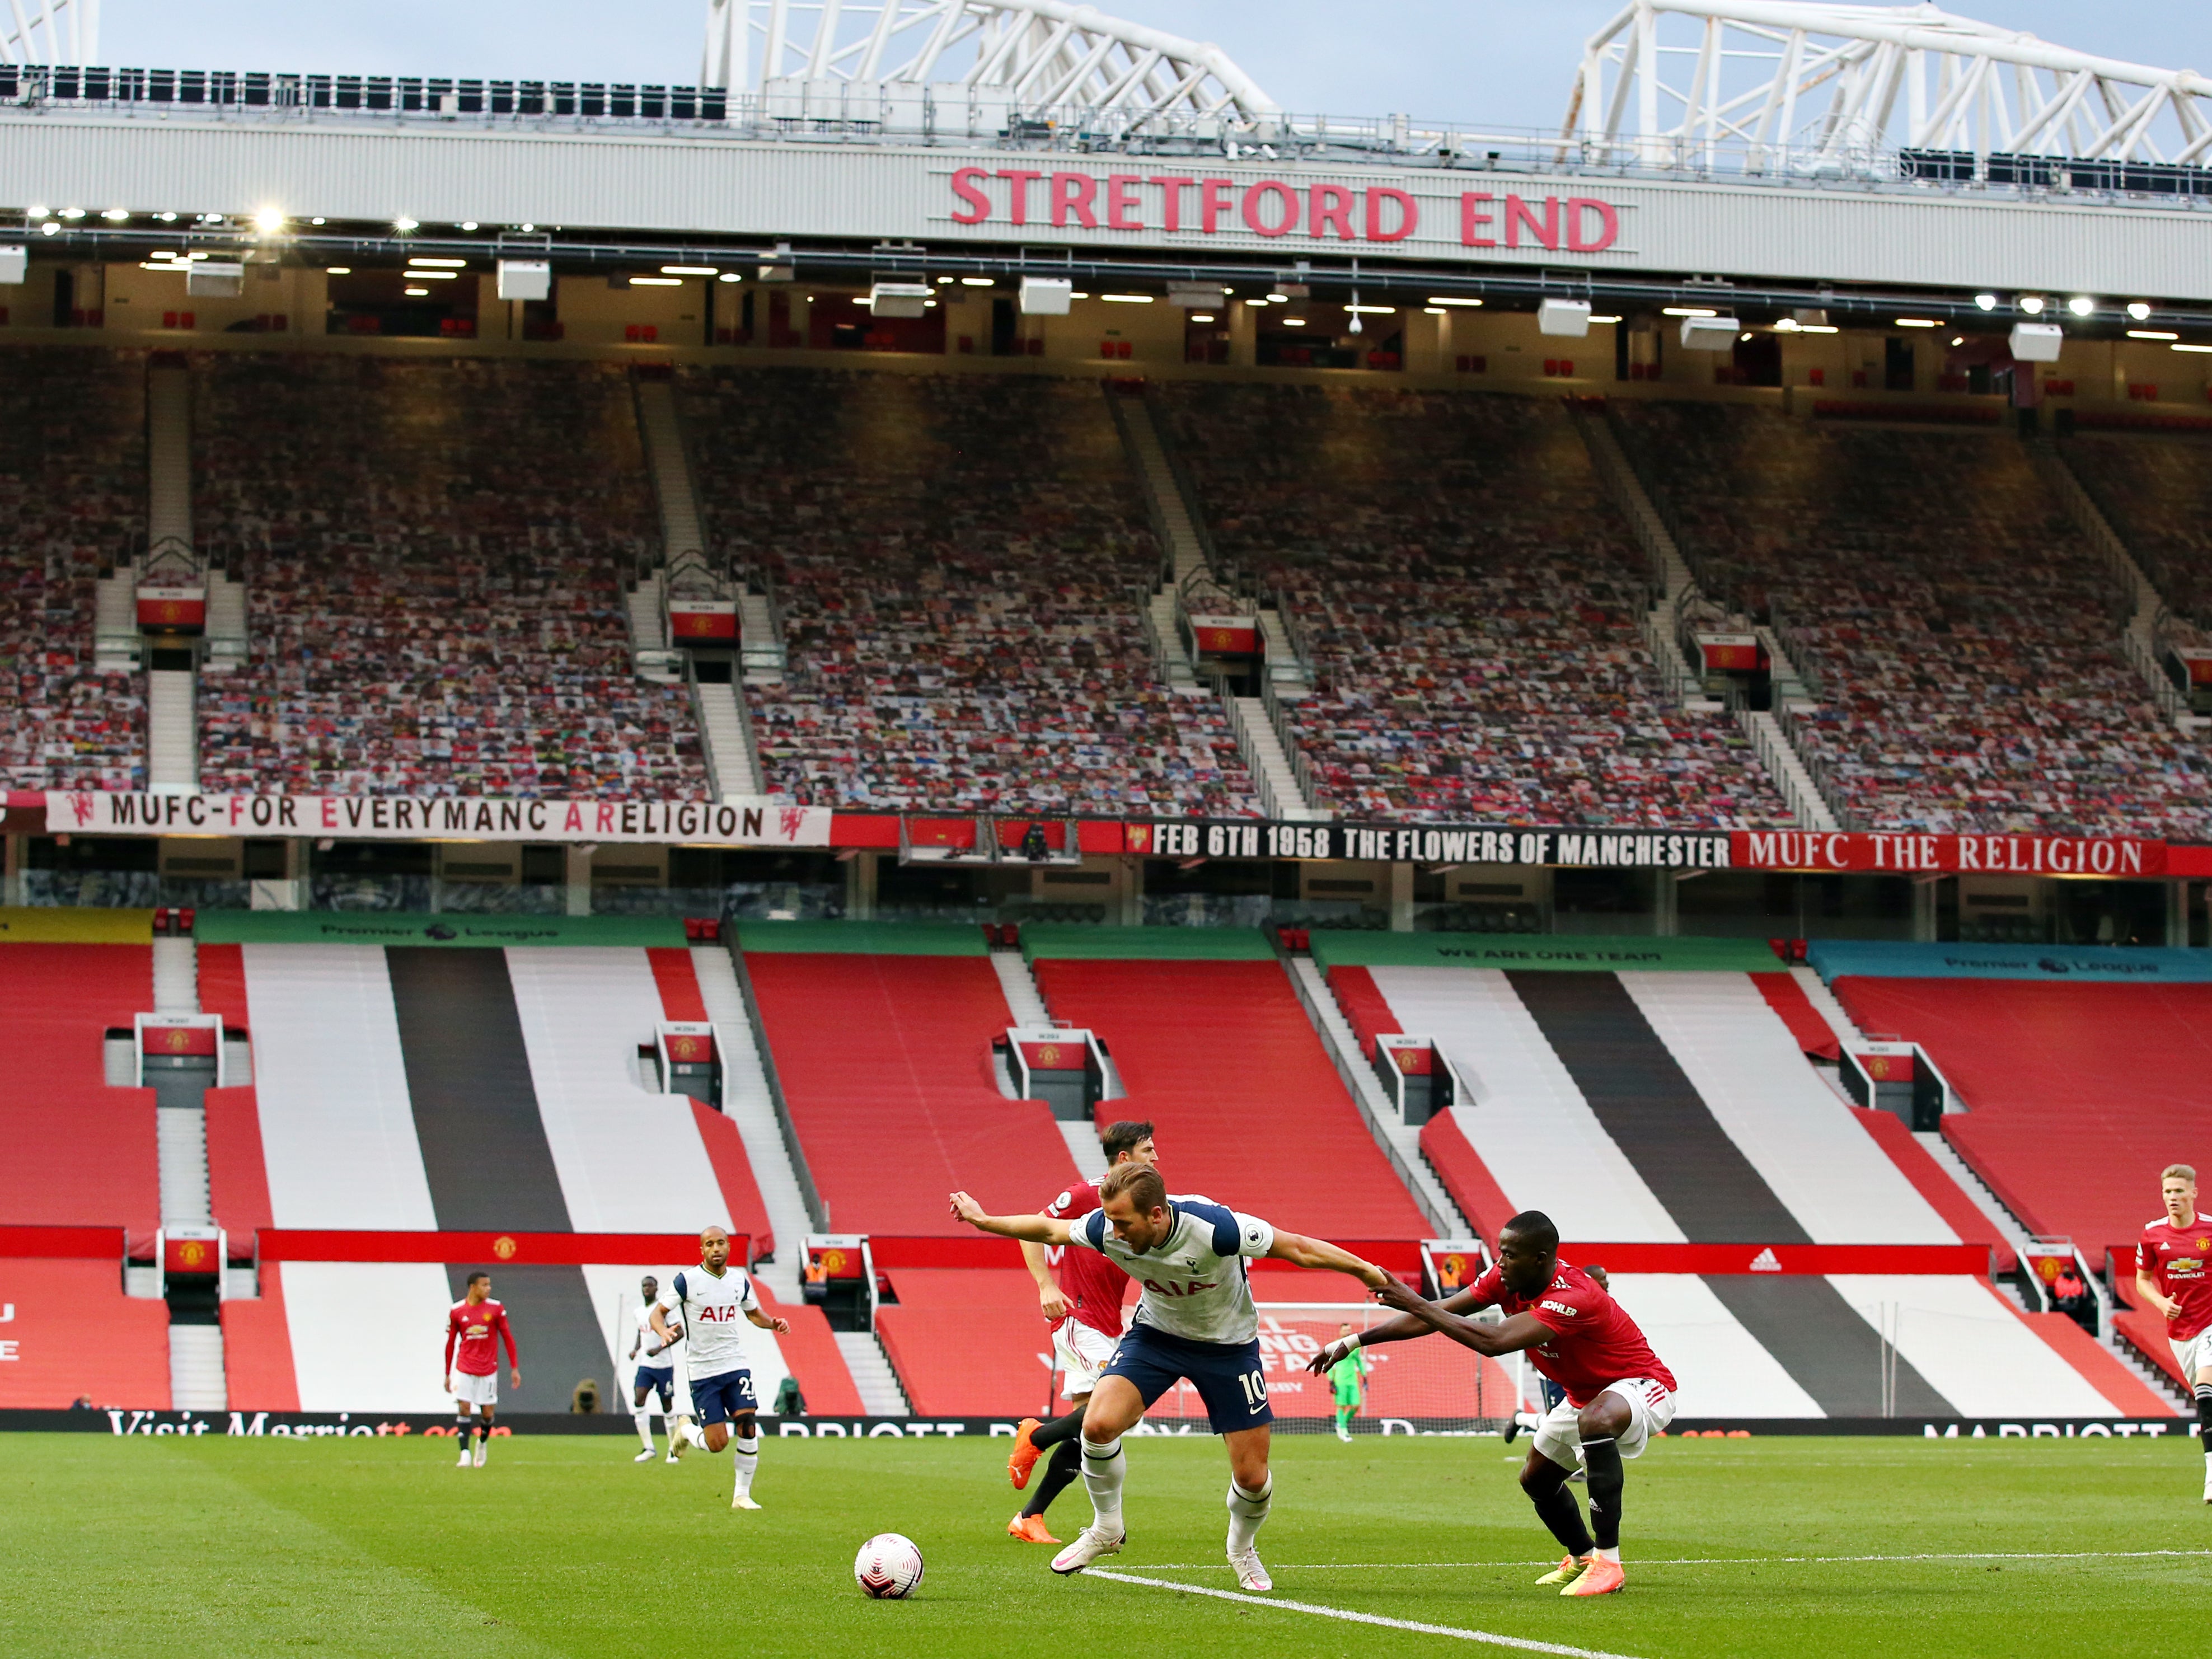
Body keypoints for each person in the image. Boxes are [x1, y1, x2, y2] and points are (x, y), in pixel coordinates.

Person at [950, 1161, 1390, 1592]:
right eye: (1110, 1222)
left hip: (1229, 1348)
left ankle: (1241, 1549)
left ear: (1157, 1215)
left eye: (1124, 1223)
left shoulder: (1217, 1227)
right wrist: (985, 1221)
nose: (1114, 1233)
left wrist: (1369, 1272)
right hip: (1157, 1337)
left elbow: (1299, 1248)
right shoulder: (1106, 1227)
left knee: (1253, 1478)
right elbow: (1049, 1231)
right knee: (1098, 1424)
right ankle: (1107, 1529)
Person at [1308, 1213, 1673, 1599]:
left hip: (1641, 1385)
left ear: (1540, 1258)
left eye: (1510, 1254)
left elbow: (1494, 1341)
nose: (1500, 1262)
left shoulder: (1574, 1296)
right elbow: (1441, 1314)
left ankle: (1608, 1562)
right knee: (1536, 1480)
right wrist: (1354, 1342)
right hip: (1584, 1397)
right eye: (1501, 1252)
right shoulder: (1505, 1278)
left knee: (1596, 1420)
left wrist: (1416, 1302)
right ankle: (1582, 1558)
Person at [1006, 1118, 1159, 1545]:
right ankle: (1035, 1437)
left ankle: (1030, 1516)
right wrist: (1045, 1284)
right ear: (1125, 1158)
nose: (1158, 1158)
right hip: (1078, 1316)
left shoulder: (1143, 1202)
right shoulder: (1086, 1194)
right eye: (1150, 1151)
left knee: (1093, 1428)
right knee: (1119, 1410)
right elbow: (1028, 1229)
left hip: (1111, 1322)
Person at [652, 1226, 791, 1511]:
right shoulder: (687, 1281)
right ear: (701, 1250)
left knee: (748, 1424)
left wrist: (773, 1323)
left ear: (728, 1247)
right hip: (703, 1371)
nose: (716, 1249)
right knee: (717, 1443)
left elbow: (754, 1313)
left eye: (720, 1243)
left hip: (734, 1364)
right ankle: (687, 1431)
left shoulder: (739, 1281)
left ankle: (742, 1495)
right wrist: (662, 1332)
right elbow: (659, 1313)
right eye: (709, 1244)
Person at [2134, 1163, 2212, 1502]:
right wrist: (2162, 1305)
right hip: (2180, 1330)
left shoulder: (2210, 1229)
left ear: (2194, 1193)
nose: (2173, 1197)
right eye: (2168, 1192)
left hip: (2211, 1322)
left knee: (2207, 1392)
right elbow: (2142, 1280)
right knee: (2203, 1394)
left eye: (2179, 1191)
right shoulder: (2152, 1234)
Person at [1506, 1263, 1608, 1452]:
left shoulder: (1603, 1305)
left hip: (1581, 1373)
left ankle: (1521, 1419)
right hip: (1554, 1372)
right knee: (1557, 1422)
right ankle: (1570, 1469)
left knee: (1573, 1420)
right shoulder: (1568, 1301)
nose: (1607, 1283)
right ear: (1591, 1280)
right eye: (1602, 1278)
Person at [444, 1271, 521, 1469]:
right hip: (465, 1367)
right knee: (464, 1408)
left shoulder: (496, 1309)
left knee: (487, 1414)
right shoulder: (457, 1310)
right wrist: (447, 1374)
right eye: (484, 1285)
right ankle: (464, 1454)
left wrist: (514, 1368)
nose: (489, 1288)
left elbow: (508, 1338)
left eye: (489, 1285)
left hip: (488, 1369)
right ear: (473, 1287)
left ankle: (483, 1443)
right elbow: (451, 1343)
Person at [627, 1273, 676, 1463]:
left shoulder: (664, 1310)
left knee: (667, 1406)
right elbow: (642, 1332)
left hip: (664, 1366)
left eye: (650, 1285)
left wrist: (659, 1348)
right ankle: (648, 1447)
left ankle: (673, 1449)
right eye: (644, 1286)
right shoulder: (639, 1311)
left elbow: (678, 1332)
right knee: (639, 1400)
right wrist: (636, 1349)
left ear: (657, 1288)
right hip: (646, 1366)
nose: (646, 1289)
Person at [1327, 1320, 1367, 1441]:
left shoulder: (1355, 1346)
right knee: (1341, 1406)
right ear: (1340, 1332)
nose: (1348, 1332)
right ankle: (1344, 1432)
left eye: (1349, 1330)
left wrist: (1364, 1376)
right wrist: (1331, 1381)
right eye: (1345, 1330)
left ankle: (1341, 1423)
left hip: (1353, 1380)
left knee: (1356, 1406)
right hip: (1340, 1380)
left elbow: (1359, 1361)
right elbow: (1329, 1363)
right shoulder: (1335, 1345)